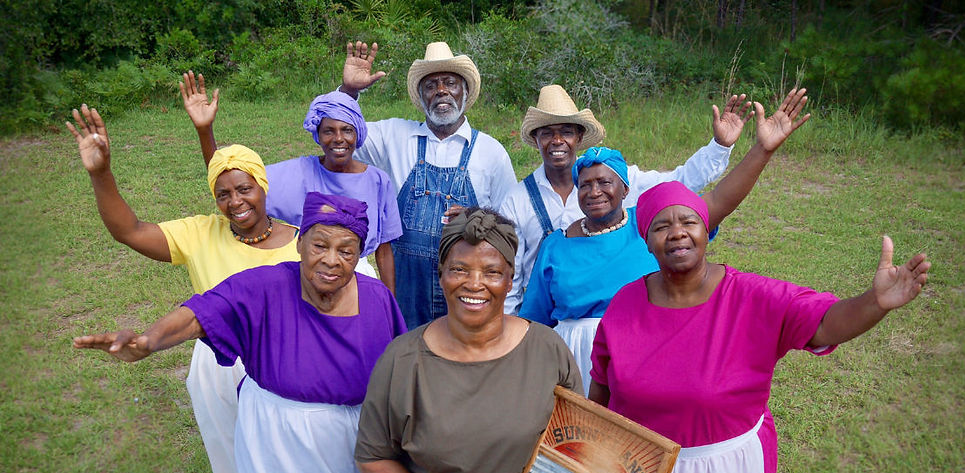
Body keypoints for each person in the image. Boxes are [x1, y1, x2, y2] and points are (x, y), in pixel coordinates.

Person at [589, 181, 930, 473]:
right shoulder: (625, 304)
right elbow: (600, 397)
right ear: (645, 239)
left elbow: (824, 322)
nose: (678, 233)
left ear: (707, 229)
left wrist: (874, 304)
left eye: (689, 221)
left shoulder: (752, 296)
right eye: (662, 226)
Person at [73, 193, 410, 473]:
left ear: (359, 254)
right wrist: (149, 341)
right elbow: (199, 314)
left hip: (354, 443)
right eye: (319, 246)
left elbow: (396, 378)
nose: (331, 261)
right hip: (278, 443)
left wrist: (386, 452)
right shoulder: (262, 286)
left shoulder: (376, 300)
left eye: (346, 250)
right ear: (299, 244)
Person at [354, 208, 657, 473]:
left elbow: (584, 451)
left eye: (491, 271)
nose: (474, 284)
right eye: (459, 269)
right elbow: (374, 459)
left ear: (511, 278)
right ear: (441, 274)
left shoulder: (546, 350)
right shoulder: (402, 362)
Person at [66, 105, 301, 473]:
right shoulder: (199, 233)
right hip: (220, 371)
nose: (235, 201)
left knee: (288, 462)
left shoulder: (301, 242)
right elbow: (129, 230)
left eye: (244, 188)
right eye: (223, 193)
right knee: (235, 458)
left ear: (263, 186)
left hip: (286, 367)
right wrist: (102, 173)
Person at [520, 89, 811, 395]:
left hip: (648, 349)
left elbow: (718, 201)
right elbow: (533, 321)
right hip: (574, 363)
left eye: (605, 183)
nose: (594, 192)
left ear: (625, 189)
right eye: (586, 185)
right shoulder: (556, 245)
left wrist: (761, 151)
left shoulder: (648, 225)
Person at [502, 83, 752, 314]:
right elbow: (510, 278)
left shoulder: (620, 177)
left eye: (566, 131)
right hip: (555, 315)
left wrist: (719, 145)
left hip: (625, 312)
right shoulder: (517, 200)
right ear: (536, 140)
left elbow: (680, 182)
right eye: (547, 133)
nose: (557, 141)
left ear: (578, 137)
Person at [340, 41, 519, 328]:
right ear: (421, 97)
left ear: (465, 91)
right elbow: (337, 135)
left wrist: (479, 219)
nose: (441, 91)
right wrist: (349, 92)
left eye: (450, 82)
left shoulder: (491, 152)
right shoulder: (395, 136)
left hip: (468, 294)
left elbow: (511, 228)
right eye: (431, 85)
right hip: (404, 294)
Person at [179, 72, 402, 293]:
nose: (338, 139)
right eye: (328, 131)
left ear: (358, 134)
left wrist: (389, 304)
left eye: (347, 130)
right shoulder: (297, 174)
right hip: (310, 282)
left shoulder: (377, 180)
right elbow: (229, 179)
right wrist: (204, 130)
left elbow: (384, 251)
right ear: (318, 135)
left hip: (359, 284)